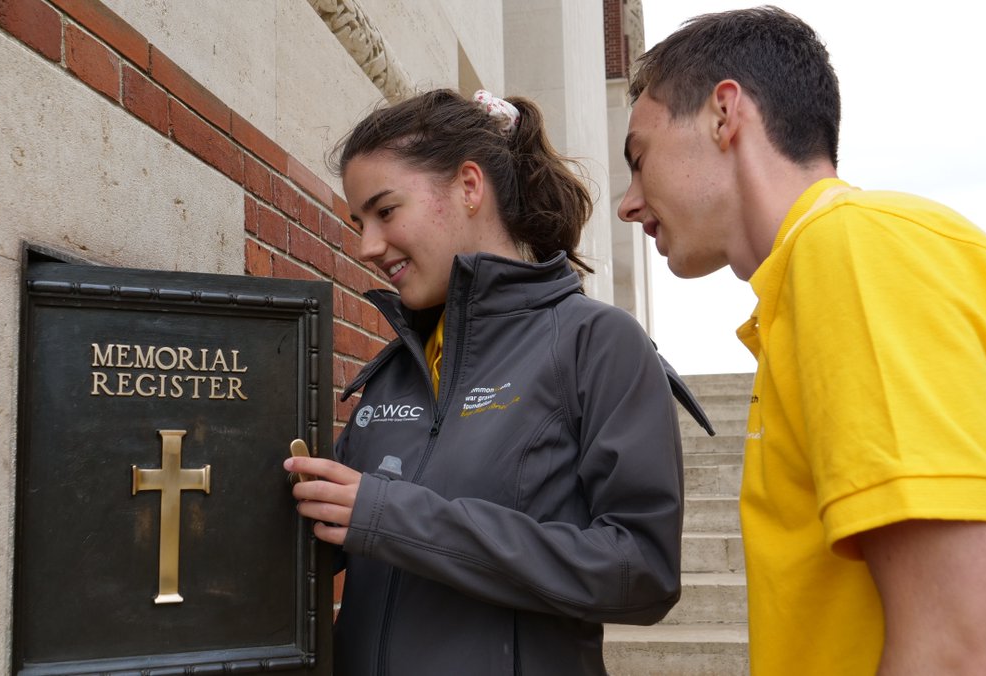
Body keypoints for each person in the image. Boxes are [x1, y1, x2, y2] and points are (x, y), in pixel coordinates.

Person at [617, 6, 986, 675]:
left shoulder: (851, 251)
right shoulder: (825, 270)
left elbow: (962, 652)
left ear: (725, 115)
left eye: (639, 159)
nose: (628, 202)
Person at [282, 88, 699, 675]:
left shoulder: (596, 342)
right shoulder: (396, 368)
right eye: (360, 223)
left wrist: (395, 518)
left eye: (386, 211)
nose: (367, 246)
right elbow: (329, 538)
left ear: (469, 186)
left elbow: (643, 573)